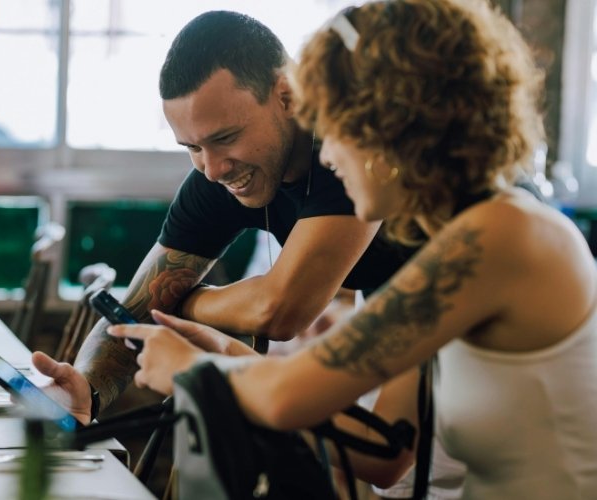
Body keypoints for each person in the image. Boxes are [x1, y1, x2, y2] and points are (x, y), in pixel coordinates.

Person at [107, 0, 597, 498]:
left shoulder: (502, 237)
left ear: (394, 125)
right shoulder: (442, 247)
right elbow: (382, 452)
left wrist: (196, 368)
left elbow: (285, 399)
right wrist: (228, 354)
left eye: (337, 127)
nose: (331, 156)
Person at [31, 9, 412, 425]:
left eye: (225, 138)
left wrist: (185, 302)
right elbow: (139, 303)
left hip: (459, 328)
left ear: (286, 96)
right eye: (191, 147)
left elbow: (282, 310)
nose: (212, 169)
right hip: (405, 327)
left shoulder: (350, 151)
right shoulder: (217, 177)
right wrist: (85, 387)